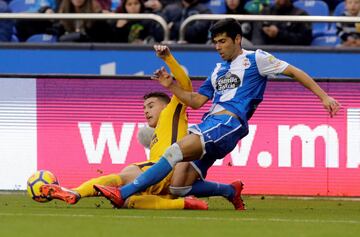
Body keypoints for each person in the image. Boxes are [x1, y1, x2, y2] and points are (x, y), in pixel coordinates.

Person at [94, 18, 340, 209]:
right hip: (211, 122)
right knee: (180, 187)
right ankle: (229, 191)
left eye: (223, 41)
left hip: (229, 122)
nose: (218, 47)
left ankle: (122, 193)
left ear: (238, 39)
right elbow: (196, 101)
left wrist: (324, 96)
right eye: (215, 42)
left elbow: (295, 72)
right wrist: (172, 86)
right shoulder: (218, 70)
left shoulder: (257, 59)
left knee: (174, 151)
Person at [41, 45, 244, 210]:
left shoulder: (173, 109)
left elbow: (185, 84)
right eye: (144, 108)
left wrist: (168, 59)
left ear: (166, 104)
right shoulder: (159, 129)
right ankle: (184, 203)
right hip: (163, 176)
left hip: (166, 168)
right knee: (130, 201)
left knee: (123, 175)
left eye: (150, 106)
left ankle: (75, 192)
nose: (146, 111)